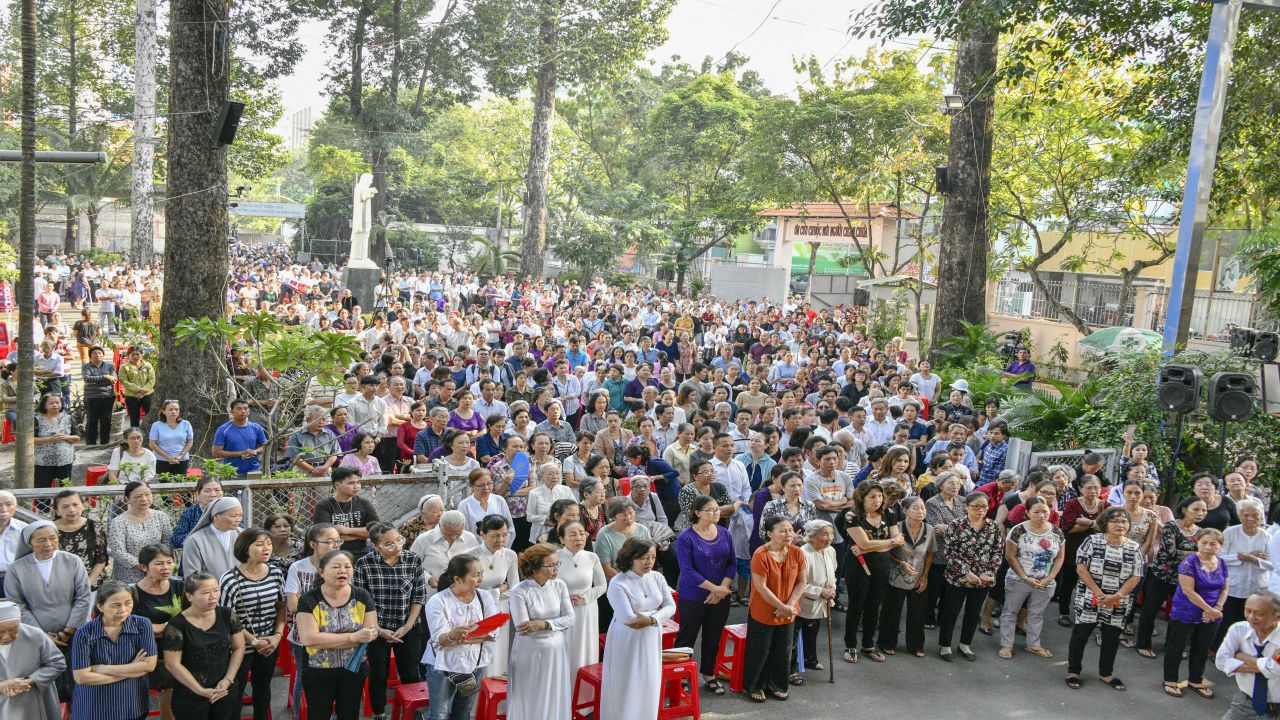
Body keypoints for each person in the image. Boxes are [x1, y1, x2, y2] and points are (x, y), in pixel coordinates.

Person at [1066, 506, 1144, 691]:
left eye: (1124, 521)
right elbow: (1081, 569)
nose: (1120, 524)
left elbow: (1136, 576)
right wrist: (1098, 593)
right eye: (1115, 521)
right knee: (1081, 635)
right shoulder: (1092, 541)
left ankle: (1106, 673)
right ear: (1104, 523)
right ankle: (1073, 671)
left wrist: (1117, 595)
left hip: (1119, 600)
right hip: (1090, 596)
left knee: (1111, 637)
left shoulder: (1134, 547)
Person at [295, 551, 379, 720]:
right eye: (336, 567)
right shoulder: (308, 599)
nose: (343, 571)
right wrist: (353, 638)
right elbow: (309, 639)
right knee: (318, 714)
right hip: (318, 671)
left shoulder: (362, 595)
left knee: (350, 714)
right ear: (321, 572)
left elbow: (370, 633)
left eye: (347, 567)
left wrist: (326, 640)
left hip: (353, 669)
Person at [354, 523, 425, 720]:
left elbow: (418, 596)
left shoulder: (413, 560)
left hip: (408, 626)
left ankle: (413, 710)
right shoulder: (364, 564)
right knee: (378, 673)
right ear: (376, 546)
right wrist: (378, 629)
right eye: (389, 544)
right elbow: (361, 601)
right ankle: (379, 713)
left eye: (399, 540)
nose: (397, 546)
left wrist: (408, 625)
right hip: (376, 628)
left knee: (411, 671)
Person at [600, 538, 677, 720]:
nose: (649, 562)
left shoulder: (657, 577)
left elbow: (670, 606)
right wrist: (656, 616)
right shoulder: (618, 582)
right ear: (630, 558)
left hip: (650, 634)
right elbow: (629, 619)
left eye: (652, 557)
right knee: (626, 682)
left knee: (648, 680)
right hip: (627, 638)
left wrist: (652, 619)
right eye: (643, 557)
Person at [421, 554, 499, 720]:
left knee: (463, 711)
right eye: (475, 575)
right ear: (457, 578)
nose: (480, 579)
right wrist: (451, 635)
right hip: (442, 666)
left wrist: (460, 637)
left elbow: (493, 632)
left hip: (472, 665)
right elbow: (440, 639)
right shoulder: (438, 601)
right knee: (439, 714)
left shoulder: (484, 597)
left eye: (481, 574)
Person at [218, 528, 285, 720]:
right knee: (236, 691)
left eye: (269, 543)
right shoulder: (230, 579)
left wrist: (277, 636)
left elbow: (282, 607)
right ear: (245, 548)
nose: (266, 548)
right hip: (240, 645)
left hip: (270, 643)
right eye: (259, 544)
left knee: (263, 687)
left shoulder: (275, 573)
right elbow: (228, 617)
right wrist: (254, 641)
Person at [673, 494, 736, 694]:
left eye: (717, 509)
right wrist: (714, 589)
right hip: (693, 595)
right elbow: (687, 570)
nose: (716, 512)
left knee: (713, 636)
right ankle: (680, 676)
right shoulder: (686, 537)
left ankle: (709, 674)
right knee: (687, 636)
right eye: (710, 510)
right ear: (697, 513)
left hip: (721, 594)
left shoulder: (725, 533)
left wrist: (723, 588)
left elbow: (732, 562)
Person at [67, 582, 157, 720]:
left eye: (128, 603)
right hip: (93, 708)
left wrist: (102, 668)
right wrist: (132, 669)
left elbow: (149, 665)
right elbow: (81, 677)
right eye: (115, 605)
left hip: (132, 705)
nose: (123, 610)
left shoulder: (142, 625)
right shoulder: (84, 633)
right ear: (100, 606)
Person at [162, 573, 246, 720]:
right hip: (190, 694)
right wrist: (200, 690)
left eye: (216, 590)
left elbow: (239, 648)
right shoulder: (177, 625)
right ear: (189, 596)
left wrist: (228, 679)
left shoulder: (227, 614)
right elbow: (172, 664)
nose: (213, 596)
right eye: (206, 593)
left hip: (224, 690)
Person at [507, 543, 575, 720]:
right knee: (531, 693)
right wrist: (555, 624)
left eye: (557, 564)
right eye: (551, 565)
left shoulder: (559, 585)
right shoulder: (519, 591)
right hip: (530, 652)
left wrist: (544, 624)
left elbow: (571, 618)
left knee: (554, 693)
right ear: (535, 567)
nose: (556, 569)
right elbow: (524, 627)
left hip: (556, 650)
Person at [742, 516, 806, 702]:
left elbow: (801, 582)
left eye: (790, 530)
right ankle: (755, 685)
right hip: (764, 609)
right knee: (760, 649)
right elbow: (761, 587)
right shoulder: (760, 554)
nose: (788, 534)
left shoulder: (797, 553)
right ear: (770, 534)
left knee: (783, 649)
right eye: (783, 531)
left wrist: (790, 605)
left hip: (788, 610)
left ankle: (777, 684)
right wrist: (781, 606)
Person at [283, 524, 343, 719]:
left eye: (337, 541)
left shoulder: (341, 566)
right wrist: (325, 606)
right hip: (304, 637)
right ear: (313, 544)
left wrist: (307, 602)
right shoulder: (298, 568)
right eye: (329, 542)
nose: (335, 546)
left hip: (335, 634)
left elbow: (345, 603)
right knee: (304, 678)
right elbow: (293, 606)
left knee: (332, 678)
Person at [1136, 496, 1207, 657]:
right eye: (1196, 509)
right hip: (1161, 575)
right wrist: (1198, 553)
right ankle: (1143, 643)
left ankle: (1173, 646)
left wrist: (1198, 555)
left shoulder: (1201, 532)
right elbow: (1170, 552)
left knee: (1178, 613)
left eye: (1203, 510)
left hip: (1184, 579)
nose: (1200, 513)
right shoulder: (1171, 526)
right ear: (1184, 509)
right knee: (1150, 610)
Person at [1162, 527, 1228, 698]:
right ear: (1197, 543)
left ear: (1220, 546)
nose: (1207, 547)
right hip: (1187, 610)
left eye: (1213, 544)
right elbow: (1188, 591)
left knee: (1202, 647)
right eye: (1203, 543)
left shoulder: (1221, 563)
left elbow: (1225, 588)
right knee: (1177, 646)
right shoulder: (1189, 563)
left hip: (1212, 613)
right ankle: (1170, 680)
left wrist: (1218, 608)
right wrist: (1209, 609)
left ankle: (1196, 680)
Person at [936, 491, 1002, 662]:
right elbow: (949, 552)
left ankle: (965, 644)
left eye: (984, 507)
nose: (980, 510)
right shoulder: (956, 525)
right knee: (951, 612)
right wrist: (966, 572)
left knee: (973, 613)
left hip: (982, 579)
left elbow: (997, 551)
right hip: (958, 577)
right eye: (976, 507)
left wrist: (989, 572)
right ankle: (945, 645)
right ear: (966, 507)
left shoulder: (992, 526)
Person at [998, 496, 1064, 659]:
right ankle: (1006, 645)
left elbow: (1060, 557)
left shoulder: (1056, 531)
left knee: (1036, 613)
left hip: (1045, 581)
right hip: (1019, 579)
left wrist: (1050, 577)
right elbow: (1010, 556)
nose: (1041, 515)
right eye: (1036, 512)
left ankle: (1033, 644)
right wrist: (1024, 576)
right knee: (1010, 611)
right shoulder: (1018, 530)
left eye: (1045, 511)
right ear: (1027, 513)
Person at [131, 544, 182, 720]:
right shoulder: (132, 593)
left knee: (172, 708)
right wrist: (153, 629)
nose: (166, 568)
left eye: (169, 562)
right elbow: (128, 625)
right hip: (146, 655)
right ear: (143, 567)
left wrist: (161, 627)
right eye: (159, 564)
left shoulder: (180, 586)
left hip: (178, 652)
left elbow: (192, 617)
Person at [1214, 590, 1280, 720]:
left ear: (1277, 617)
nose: (1251, 617)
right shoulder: (1238, 629)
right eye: (1248, 611)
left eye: (1259, 613)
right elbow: (1221, 661)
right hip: (1244, 701)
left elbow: (1275, 669)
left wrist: (1240, 656)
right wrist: (1266, 666)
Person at [880, 498, 933, 658]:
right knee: (892, 611)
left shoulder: (929, 529)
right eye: (915, 508)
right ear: (905, 511)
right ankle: (887, 642)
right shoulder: (895, 528)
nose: (920, 511)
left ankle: (915, 645)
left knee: (917, 612)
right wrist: (900, 563)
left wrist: (925, 576)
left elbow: (930, 553)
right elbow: (886, 550)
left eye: (922, 508)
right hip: (896, 574)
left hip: (917, 575)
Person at [0, 598, 66, 719]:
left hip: (34, 700)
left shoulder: (35, 635)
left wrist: (30, 681)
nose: (6, 636)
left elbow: (57, 663)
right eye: (0, 632)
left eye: (13, 630)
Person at [555, 521, 605, 678]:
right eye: (572, 534)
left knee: (585, 650)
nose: (579, 537)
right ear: (562, 539)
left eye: (582, 533)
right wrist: (563, 599)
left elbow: (602, 585)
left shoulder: (592, 557)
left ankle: (584, 696)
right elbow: (545, 586)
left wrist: (586, 597)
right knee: (564, 650)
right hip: (561, 610)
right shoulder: (554, 557)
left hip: (587, 610)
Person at [1220, 499, 1271, 650]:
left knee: (1250, 622)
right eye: (1245, 515)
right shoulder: (1230, 532)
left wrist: (1252, 559)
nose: (1250, 519)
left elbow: (1273, 564)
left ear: (1261, 516)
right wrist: (1242, 556)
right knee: (1227, 620)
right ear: (1239, 516)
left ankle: (1245, 650)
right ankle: (1221, 650)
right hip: (1233, 586)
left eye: (1255, 515)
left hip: (1257, 587)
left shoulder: (1266, 536)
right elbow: (1219, 557)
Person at [1058, 473, 1104, 627]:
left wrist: (1085, 522)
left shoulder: (1105, 506)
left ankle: (1087, 613)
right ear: (1080, 489)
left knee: (1092, 584)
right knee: (1068, 584)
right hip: (1073, 550)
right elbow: (1068, 528)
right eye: (1089, 488)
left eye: (1096, 487)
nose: (1093, 491)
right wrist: (1092, 524)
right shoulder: (1072, 504)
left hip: (1096, 552)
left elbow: (1103, 529)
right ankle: (1063, 613)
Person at [795, 519, 838, 678]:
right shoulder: (803, 553)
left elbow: (832, 573)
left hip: (822, 600)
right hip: (804, 600)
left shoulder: (830, 551)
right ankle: (793, 666)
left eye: (831, 534)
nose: (829, 538)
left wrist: (832, 587)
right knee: (797, 635)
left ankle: (810, 659)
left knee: (813, 631)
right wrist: (819, 591)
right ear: (812, 536)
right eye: (825, 534)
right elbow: (798, 583)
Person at [108, 482, 173, 583]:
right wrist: (143, 566)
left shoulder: (161, 516)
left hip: (158, 573)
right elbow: (118, 552)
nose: (144, 499)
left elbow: (168, 544)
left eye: (147, 494)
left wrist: (159, 565)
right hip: (129, 575)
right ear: (127, 498)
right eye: (138, 496)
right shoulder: (118, 522)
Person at [312, 467, 380, 556]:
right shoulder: (324, 505)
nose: (357, 486)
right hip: (333, 553)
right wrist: (362, 534)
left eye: (358, 482)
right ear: (337, 485)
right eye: (351, 483)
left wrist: (345, 530)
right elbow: (326, 535)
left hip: (361, 553)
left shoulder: (364, 503)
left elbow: (376, 531)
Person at [52, 490, 107, 590]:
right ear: (57, 511)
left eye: (75, 504)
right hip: (59, 585)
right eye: (65, 507)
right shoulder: (50, 530)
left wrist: (87, 584)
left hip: (91, 583)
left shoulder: (95, 527)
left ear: (83, 505)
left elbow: (101, 560)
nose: (72, 510)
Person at [181, 498, 244, 580]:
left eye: (240, 515)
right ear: (216, 516)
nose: (238, 519)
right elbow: (192, 577)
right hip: (210, 591)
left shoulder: (243, 535)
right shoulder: (195, 540)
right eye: (233, 516)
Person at [595, 497, 653, 579]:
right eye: (624, 515)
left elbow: (649, 557)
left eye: (631, 513)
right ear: (613, 517)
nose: (629, 517)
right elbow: (606, 568)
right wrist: (628, 582)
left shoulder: (642, 530)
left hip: (642, 577)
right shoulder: (604, 535)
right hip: (618, 580)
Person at [456, 469, 515, 546]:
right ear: (471, 485)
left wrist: (502, 547)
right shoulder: (464, 505)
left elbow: (510, 528)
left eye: (489, 483)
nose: (486, 487)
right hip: (475, 552)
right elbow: (463, 533)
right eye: (481, 485)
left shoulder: (499, 500)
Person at [34, 393, 78, 494]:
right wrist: (49, 439)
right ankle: (43, 510)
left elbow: (77, 437)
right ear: (44, 405)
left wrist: (66, 437)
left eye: (57, 402)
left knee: (65, 490)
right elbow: (30, 440)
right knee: (42, 490)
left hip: (65, 460)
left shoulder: (68, 418)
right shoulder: (36, 419)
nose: (55, 405)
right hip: (43, 462)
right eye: (51, 403)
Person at [212, 399, 267, 477]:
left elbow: (265, 446)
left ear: (249, 411)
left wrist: (254, 451)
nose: (243, 411)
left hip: (253, 470)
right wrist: (241, 453)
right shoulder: (223, 429)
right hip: (230, 471)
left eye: (245, 408)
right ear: (231, 411)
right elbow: (216, 453)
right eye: (239, 409)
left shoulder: (256, 427)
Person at [284, 405, 339, 477]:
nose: (321, 422)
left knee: (325, 488)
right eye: (318, 419)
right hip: (302, 471)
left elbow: (334, 454)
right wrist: (312, 470)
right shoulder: (296, 435)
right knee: (302, 488)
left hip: (324, 470)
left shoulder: (329, 434)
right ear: (308, 419)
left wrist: (324, 468)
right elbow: (293, 457)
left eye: (324, 419)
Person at [526, 465, 576, 544]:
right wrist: (545, 520)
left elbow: (575, 510)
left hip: (563, 533)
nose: (555, 476)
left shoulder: (566, 490)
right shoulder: (534, 493)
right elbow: (529, 517)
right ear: (542, 476)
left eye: (557, 473)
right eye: (550, 474)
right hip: (540, 534)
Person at [172, 478, 225, 549]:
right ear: (198, 493)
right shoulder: (189, 512)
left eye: (217, 490)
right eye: (207, 491)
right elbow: (176, 541)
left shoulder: (229, 511)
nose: (213, 495)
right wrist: (201, 532)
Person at [81, 345, 117, 446]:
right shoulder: (86, 366)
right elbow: (87, 379)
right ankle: (91, 444)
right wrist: (105, 376)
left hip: (108, 396)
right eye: (94, 353)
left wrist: (95, 381)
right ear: (90, 356)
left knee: (106, 420)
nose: (97, 355)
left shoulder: (110, 366)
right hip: (91, 397)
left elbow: (114, 379)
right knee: (92, 421)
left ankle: (105, 443)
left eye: (99, 353)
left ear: (103, 355)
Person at [149, 399, 195, 476]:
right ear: (164, 411)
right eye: (170, 409)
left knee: (180, 483)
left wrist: (180, 456)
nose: (174, 412)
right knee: (163, 484)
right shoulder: (156, 425)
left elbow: (190, 441)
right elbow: (152, 444)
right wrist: (168, 458)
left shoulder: (186, 424)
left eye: (176, 409)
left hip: (181, 460)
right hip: (162, 460)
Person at [119, 347, 155, 428]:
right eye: (132, 354)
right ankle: (135, 437)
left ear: (142, 355)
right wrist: (139, 389)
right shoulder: (124, 367)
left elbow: (152, 380)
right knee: (134, 419)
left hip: (148, 395)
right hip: (132, 396)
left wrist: (143, 391)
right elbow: (124, 381)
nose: (135, 356)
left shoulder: (148, 365)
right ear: (128, 355)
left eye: (137, 354)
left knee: (152, 417)